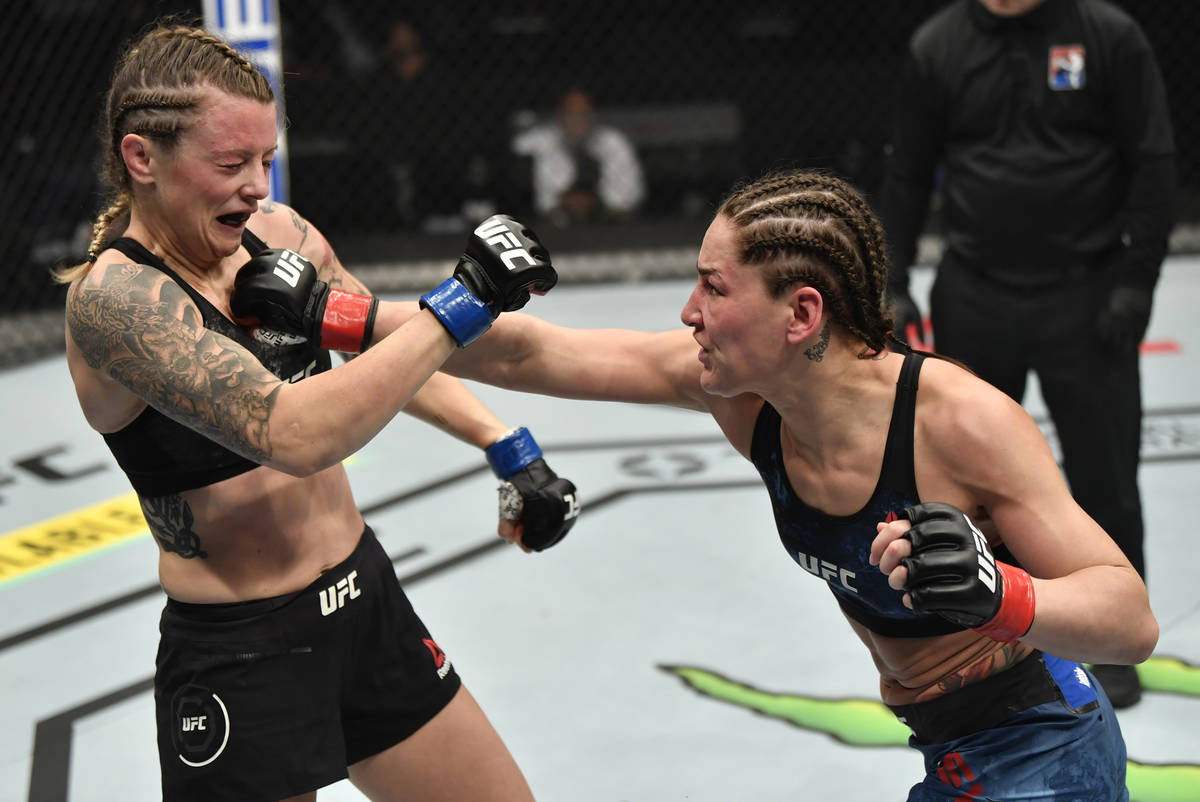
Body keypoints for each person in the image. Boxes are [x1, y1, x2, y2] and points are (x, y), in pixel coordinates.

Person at [334, 169, 1152, 799]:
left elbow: (1131, 619)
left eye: (713, 287)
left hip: (1043, 746)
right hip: (948, 743)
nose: (687, 310)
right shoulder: (742, 397)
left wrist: (1000, 591)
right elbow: (526, 353)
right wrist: (332, 315)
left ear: (800, 316)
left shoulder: (959, 423)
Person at [57, 22, 578, 802]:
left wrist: (504, 444)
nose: (258, 187)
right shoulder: (116, 303)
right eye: (231, 164)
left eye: (265, 159)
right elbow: (291, 432)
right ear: (142, 159)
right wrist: (462, 301)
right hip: (242, 652)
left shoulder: (280, 236)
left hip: (362, 602)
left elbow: (385, 351)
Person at [875, 0, 1176, 708]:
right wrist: (892, 281)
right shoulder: (938, 45)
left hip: (1088, 291)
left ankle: (1110, 642)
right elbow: (909, 171)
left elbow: (1154, 160)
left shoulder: (1107, 36)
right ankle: (981, 645)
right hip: (977, 289)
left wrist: (1137, 280)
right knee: (965, 485)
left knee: (1105, 474)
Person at [511, 86, 646, 226]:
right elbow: (518, 146)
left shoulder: (613, 142)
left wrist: (593, 201)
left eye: (582, 114)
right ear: (560, 116)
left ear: (592, 115)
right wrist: (561, 201)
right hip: (557, 220)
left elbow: (627, 198)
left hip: (607, 221)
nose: (576, 120)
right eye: (570, 114)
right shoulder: (545, 140)